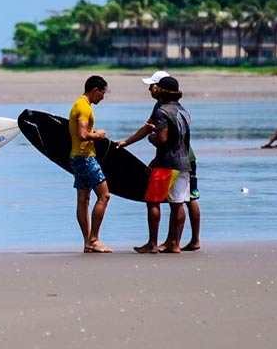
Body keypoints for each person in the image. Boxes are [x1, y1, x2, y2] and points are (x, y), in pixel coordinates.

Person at [117, 71, 202, 252]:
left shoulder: (162, 111)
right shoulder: (183, 111)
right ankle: (175, 243)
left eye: (154, 87)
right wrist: (128, 142)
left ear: (162, 90)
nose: (151, 89)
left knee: (153, 201)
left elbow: (161, 139)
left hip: (167, 163)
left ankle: (152, 244)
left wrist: (152, 139)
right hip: (184, 163)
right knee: (178, 203)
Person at [67, 76, 114, 253]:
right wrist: (98, 135)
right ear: (95, 90)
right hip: (85, 157)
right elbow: (82, 134)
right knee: (105, 195)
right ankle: (94, 239)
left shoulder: (78, 104)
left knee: (83, 199)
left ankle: (87, 242)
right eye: (103, 92)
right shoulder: (84, 107)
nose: (103, 97)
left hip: (76, 157)